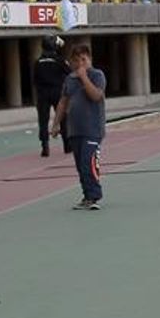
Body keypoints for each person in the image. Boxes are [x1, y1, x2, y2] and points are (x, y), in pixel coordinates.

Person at [51, 44, 107, 210]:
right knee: (79, 166)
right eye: (77, 60)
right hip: (75, 130)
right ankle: (87, 195)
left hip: (93, 129)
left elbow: (96, 96)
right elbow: (63, 102)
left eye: (84, 59)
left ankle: (94, 195)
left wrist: (84, 78)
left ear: (89, 59)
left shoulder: (97, 75)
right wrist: (55, 124)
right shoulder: (69, 79)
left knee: (87, 162)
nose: (80, 63)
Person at [33, 34, 70, 156]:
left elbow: (35, 80)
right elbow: (69, 73)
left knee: (43, 121)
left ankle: (45, 146)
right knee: (63, 118)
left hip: (43, 94)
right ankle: (67, 145)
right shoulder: (59, 60)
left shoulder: (38, 62)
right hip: (57, 92)